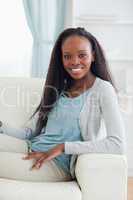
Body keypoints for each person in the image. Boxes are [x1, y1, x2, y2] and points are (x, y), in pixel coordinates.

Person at [0, 27, 126, 182]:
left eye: (82, 55)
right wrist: (1, 126)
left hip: (55, 165)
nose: (74, 62)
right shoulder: (60, 87)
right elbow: (30, 132)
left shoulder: (103, 89)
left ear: (93, 55)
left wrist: (64, 147)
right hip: (31, 147)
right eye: (67, 56)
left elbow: (117, 144)